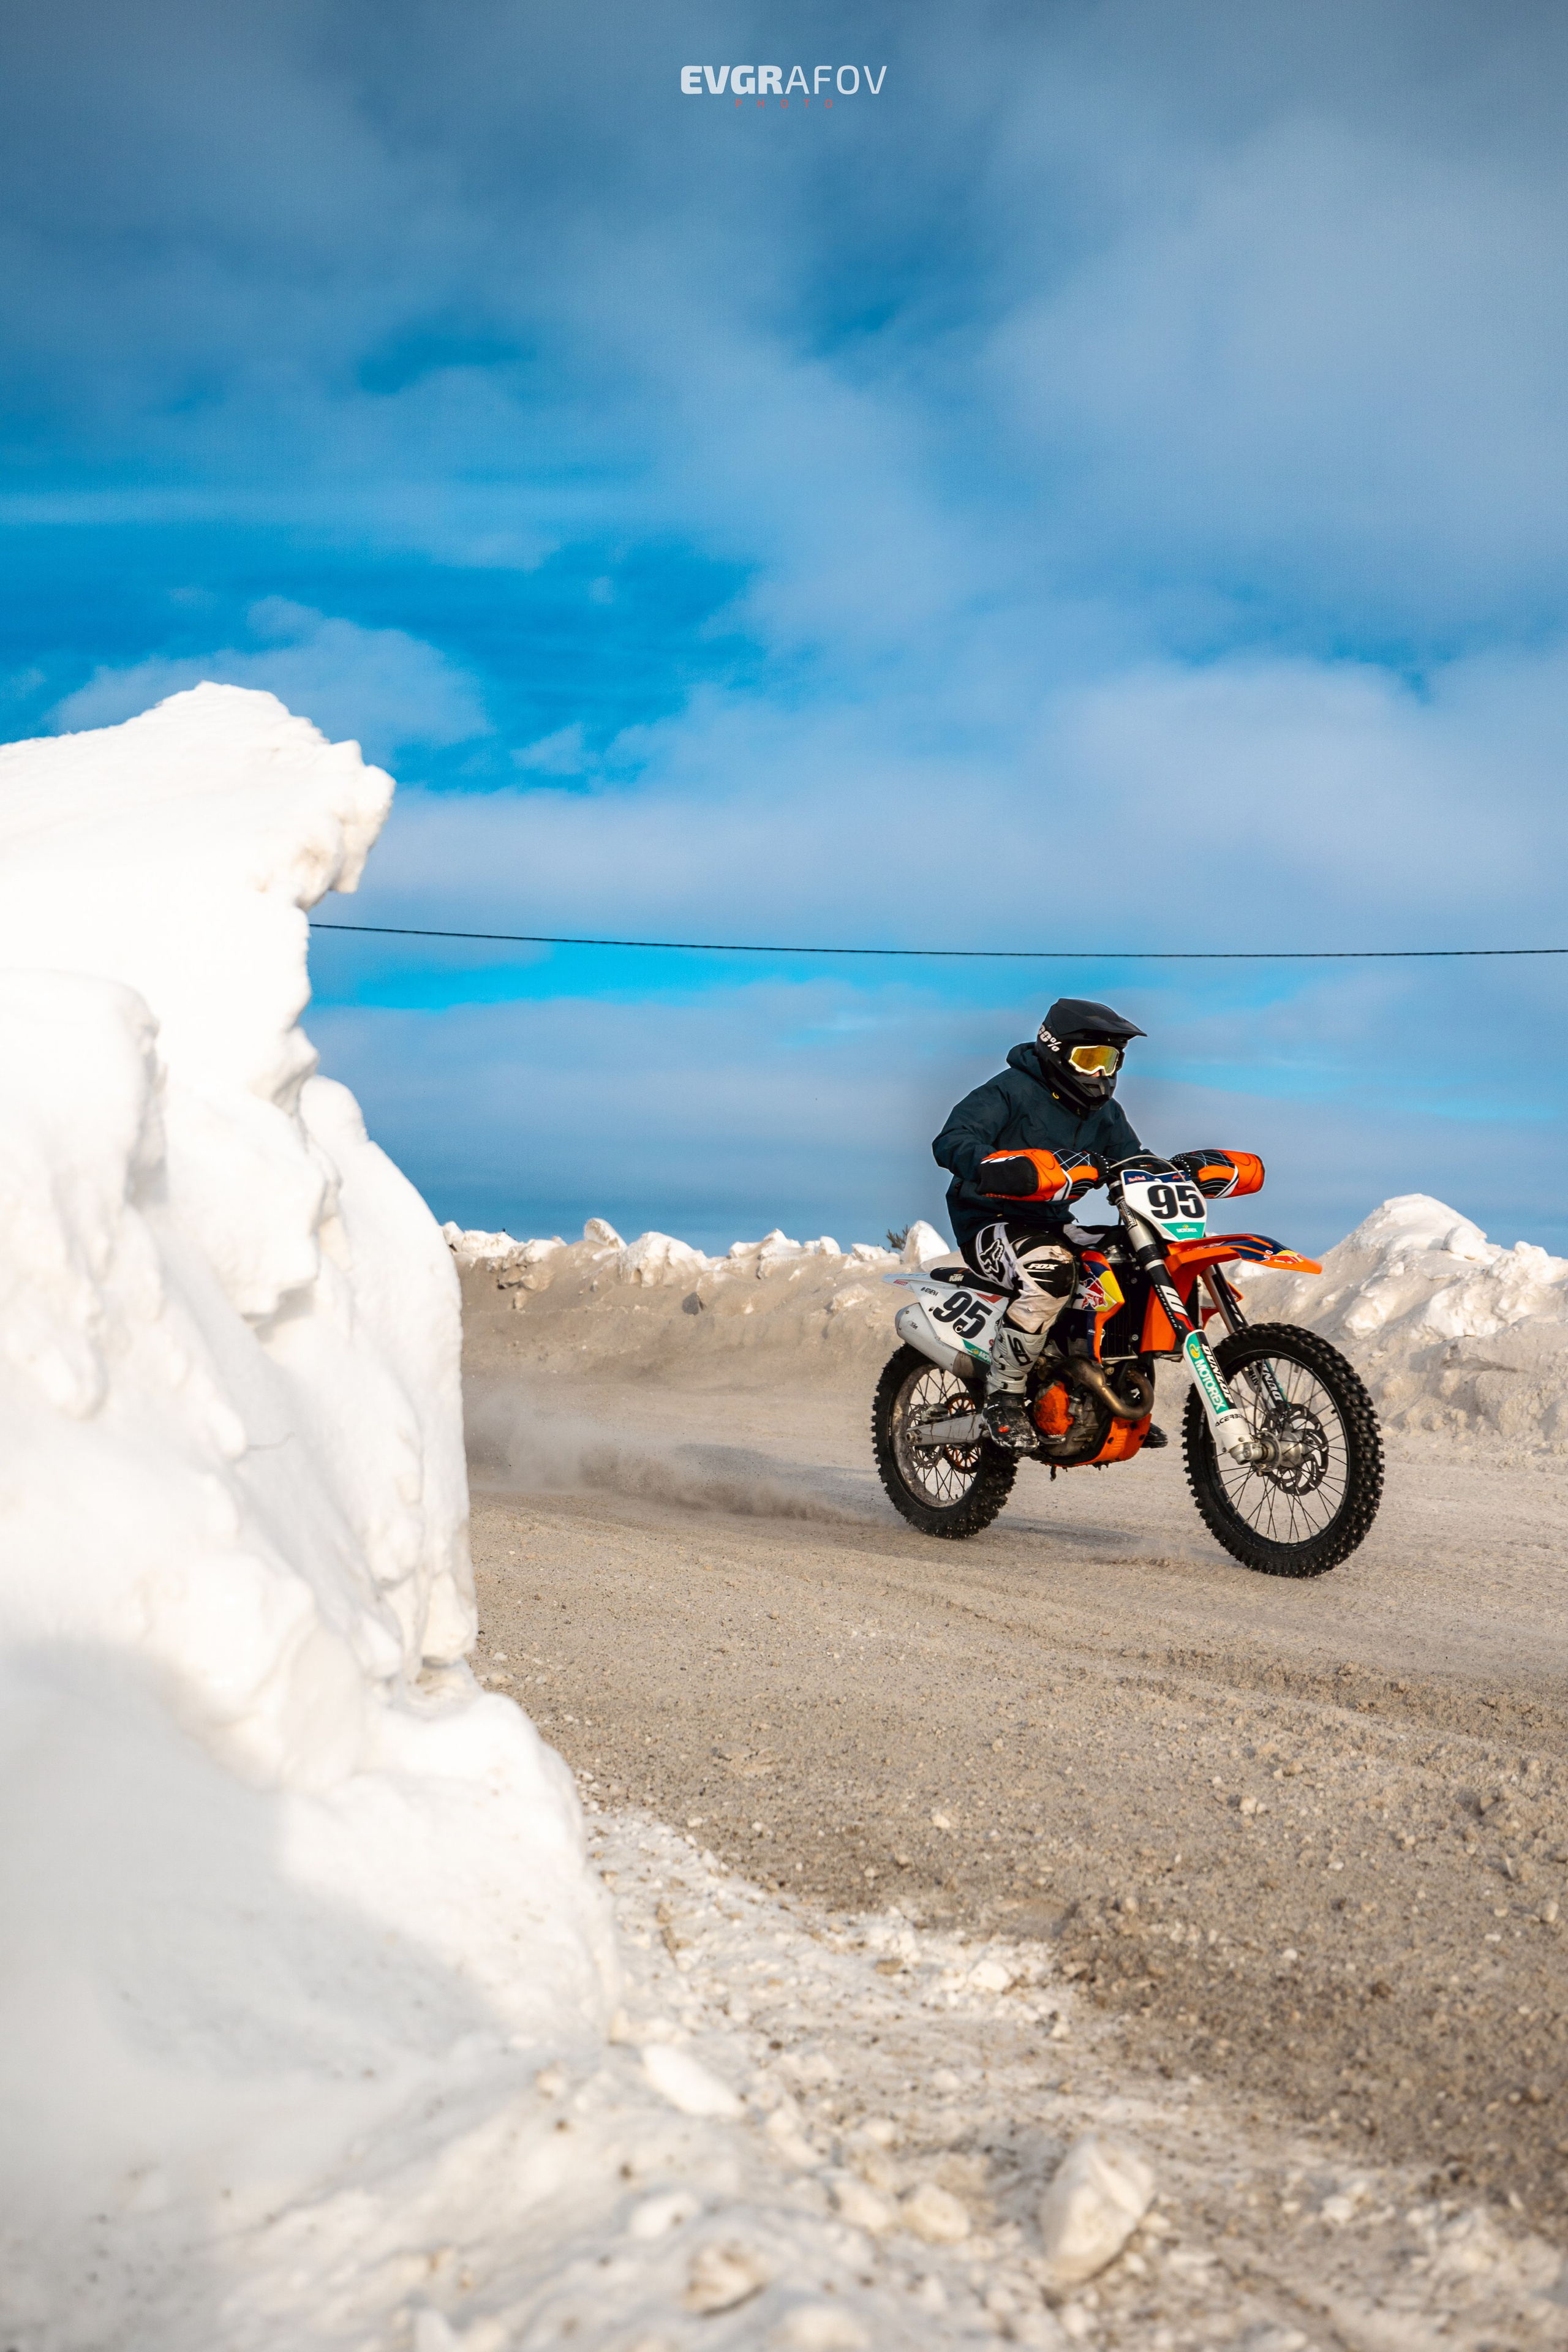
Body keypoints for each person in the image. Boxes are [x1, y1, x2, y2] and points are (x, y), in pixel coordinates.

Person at [932, 997, 1166, 1451]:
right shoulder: (1009, 1091)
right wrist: (996, 1166)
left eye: (1109, 1061)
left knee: (1131, 1261)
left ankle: (1109, 1391)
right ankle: (1004, 1397)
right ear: (1055, 1050)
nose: (1100, 1073)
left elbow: (1131, 1158)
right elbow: (952, 1139)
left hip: (1054, 1223)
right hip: (990, 1222)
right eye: (1089, 1059)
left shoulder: (1105, 1113)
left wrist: (1163, 1170)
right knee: (1051, 1271)